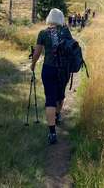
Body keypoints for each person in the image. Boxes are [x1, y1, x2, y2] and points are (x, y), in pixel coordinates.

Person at [30, 8, 72, 145]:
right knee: (60, 95)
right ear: (61, 19)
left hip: (48, 69)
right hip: (63, 70)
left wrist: (33, 64)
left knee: (50, 98)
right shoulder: (65, 32)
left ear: (49, 18)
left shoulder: (43, 33)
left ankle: (52, 132)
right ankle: (58, 115)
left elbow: (36, 53)